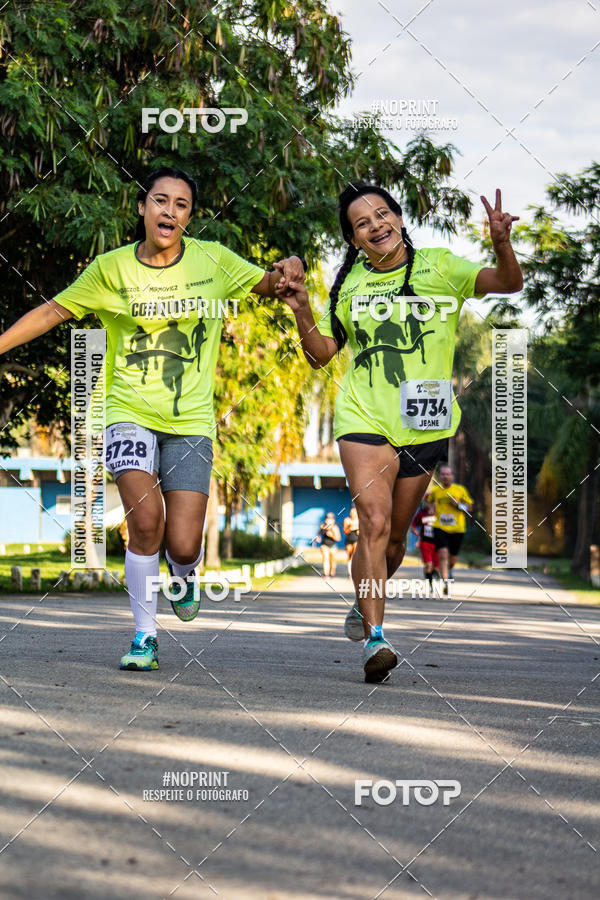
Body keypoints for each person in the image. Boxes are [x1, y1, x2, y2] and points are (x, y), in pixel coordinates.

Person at [0, 166, 305, 671]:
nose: (169, 211)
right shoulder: (110, 269)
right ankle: (145, 638)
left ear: (189, 216)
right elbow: (53, 311)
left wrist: (291, 264)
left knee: (183, 542)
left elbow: (273, 286)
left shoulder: (214, 261)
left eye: (180, 204)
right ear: (142, 209)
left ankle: (184, 573)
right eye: (159, 201)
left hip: (190, 423)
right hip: (127, 412)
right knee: (145, 522)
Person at [279, 182, 522, 682]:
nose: (377, 225)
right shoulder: (349, 286)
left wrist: (501, 241)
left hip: (424, 419)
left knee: (392, 545)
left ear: (399, 218)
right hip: (363, 417)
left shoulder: (440, 266)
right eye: (363, 222)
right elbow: (322, 352)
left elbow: (507, 282)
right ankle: (376, 639)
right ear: (353, 240)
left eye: (383, 214)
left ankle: (364, 600)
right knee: (372, 520)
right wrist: (301, 307)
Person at [427, 464, 474, 593]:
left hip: (457, 529)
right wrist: (431, 508)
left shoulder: (460, 490)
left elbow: (470, 508)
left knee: (452, 558)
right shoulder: (436, 491)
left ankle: (449, 569)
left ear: (452, 476)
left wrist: (458, 505)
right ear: (440, 476)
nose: (445, 476)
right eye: (443, 474)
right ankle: (445, 582)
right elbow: (429, 500)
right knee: (442, 555)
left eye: (448, 474)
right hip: (440, 527)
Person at [410, 499, 439, 586]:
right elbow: (413, 526)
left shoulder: (439, 512)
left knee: (436, 567)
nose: (430, 503)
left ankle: (433, 573)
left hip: (437, 543)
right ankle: (430, 584)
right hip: (425, 542)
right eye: (428, 501)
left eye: (432, 501)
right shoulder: (421, 514)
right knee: (429, 565)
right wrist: (415, 531)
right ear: (425, 502)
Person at [317, 512, 341, 577]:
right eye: (327, 519)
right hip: (324, 545)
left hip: (333, 546)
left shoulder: (335, 528)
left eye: (330, 519)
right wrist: (318, 538)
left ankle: (332, 573)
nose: (328, 521)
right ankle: (326, 574)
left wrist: (332, 535)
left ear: (333, 520)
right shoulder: (322, 526)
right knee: (325, 559)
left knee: (332, 560)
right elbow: (318, 535)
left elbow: (338, 538)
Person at [343, 506, 360, 576]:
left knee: (355, 555)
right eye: (351, 512)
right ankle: (350, 572)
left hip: (357, 539)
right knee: (349, 555)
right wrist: (350, 527)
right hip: (349, 539)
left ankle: (356, 571)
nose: (352, 514)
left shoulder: (359, 520)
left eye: (354, 512)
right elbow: (345, 531)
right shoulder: (347, 520)